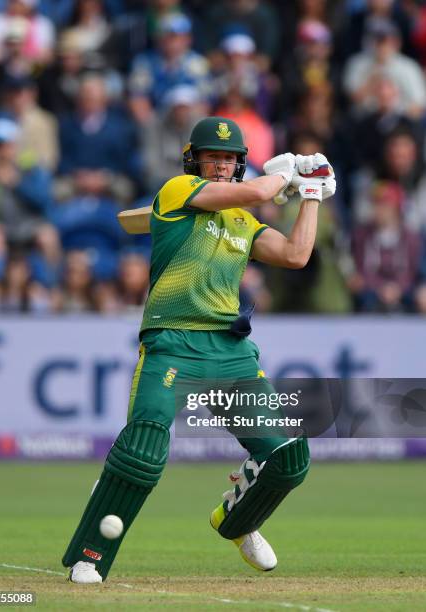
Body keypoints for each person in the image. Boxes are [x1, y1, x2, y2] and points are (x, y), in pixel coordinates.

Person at [62, 116, 336, 583]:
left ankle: (236, 520)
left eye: (230, 159)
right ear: (195, 161)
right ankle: (92, 554)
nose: (222, 165)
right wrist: (286, 172)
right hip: (172, 341)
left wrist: (309, 194)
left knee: (289, 456)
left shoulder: (244, 222)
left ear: (239, 164)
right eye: (214, 157)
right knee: (144, 450)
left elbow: (295, 255)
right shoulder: (177, 192)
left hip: (228, 351)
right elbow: (258, 192)